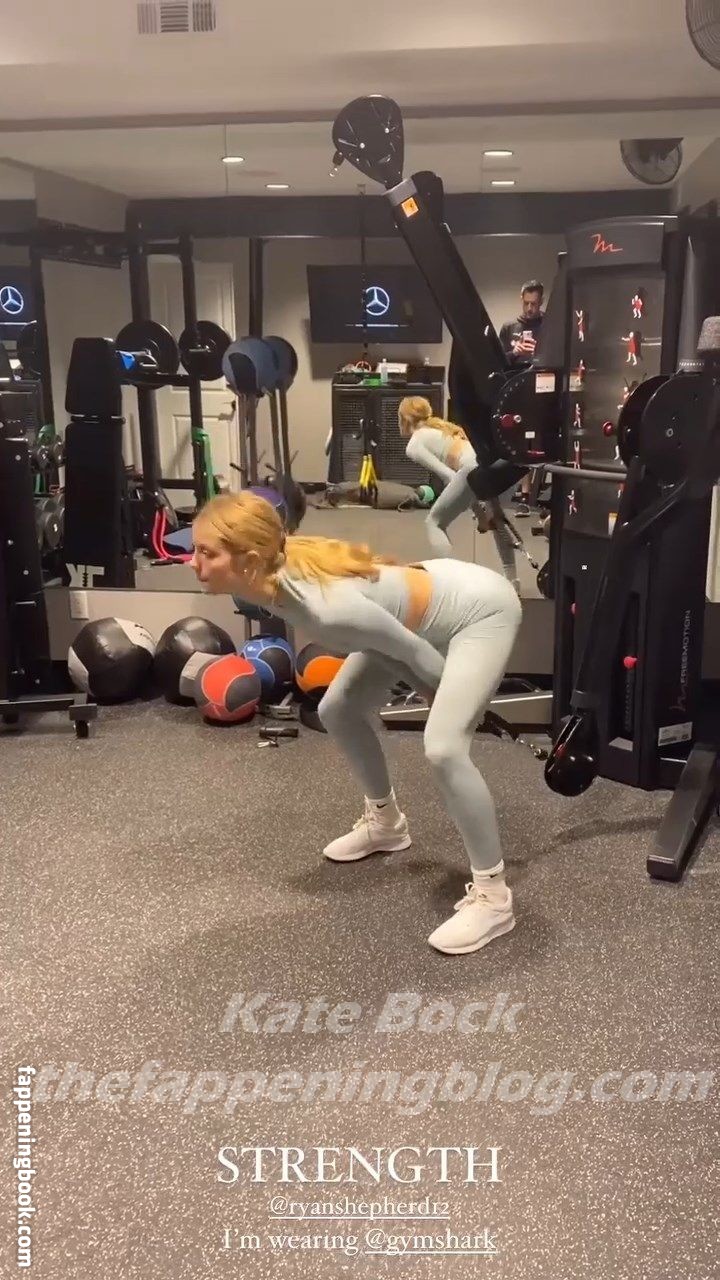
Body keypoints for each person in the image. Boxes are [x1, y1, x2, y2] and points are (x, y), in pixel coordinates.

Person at [191, 491, 522, 957]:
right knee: (337, 710)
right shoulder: (270, 579)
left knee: (445, 747)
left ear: (247, 562)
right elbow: (392, 644)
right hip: (422, 611)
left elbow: (413, 652)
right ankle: (386, 824)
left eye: (206, 552)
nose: (193, 562)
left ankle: (494, 898)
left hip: (479, 609)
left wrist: (450, 702)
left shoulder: (326, 609)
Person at [399, 395, 520, 594]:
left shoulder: (414, 444)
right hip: (498, 471)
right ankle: (513, 582)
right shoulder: (443, 428)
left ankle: (455, 583)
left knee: (434, 522)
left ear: (404, 418)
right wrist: (484, 516)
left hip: (475, 471)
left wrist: (480, 515)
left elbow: (451, 477)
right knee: (498, 522)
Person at [499, 280, 545, 513]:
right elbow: (498, 360)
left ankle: (536, 490)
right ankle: (524, 492)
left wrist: (539, 352)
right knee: (519, 437)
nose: (529, 308)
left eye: (534, 304)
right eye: (526, 303)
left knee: (540, 437)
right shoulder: (509, 328)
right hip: (516, 387)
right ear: (521, 300)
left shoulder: (549, 326)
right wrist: (515, 352)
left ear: (541, 302)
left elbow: (559, 357)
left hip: (542, 387)